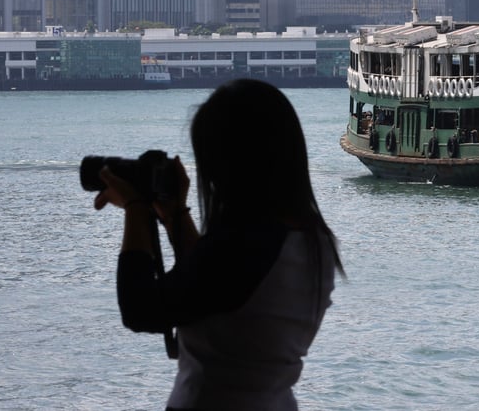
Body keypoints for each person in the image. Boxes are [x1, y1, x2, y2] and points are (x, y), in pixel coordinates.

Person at [93, 78, 343, 410]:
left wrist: (136, 209)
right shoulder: (316, 242)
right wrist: (175, 216)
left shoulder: (245, 245)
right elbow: (220, 295)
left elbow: (141, 309)